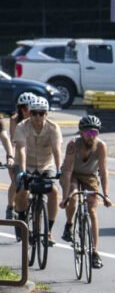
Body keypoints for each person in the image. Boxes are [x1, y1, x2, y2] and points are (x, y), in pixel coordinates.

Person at [58, 115, 112, 268]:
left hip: (90, 176)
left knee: (93, 208)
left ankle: (94, 252)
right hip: (73, 173)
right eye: (88, 133)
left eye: (94, 133)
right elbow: (67, 170)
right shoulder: (73, 144)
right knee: (73, 198)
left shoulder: (101, 146)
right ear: (81, 133)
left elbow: (103, 171)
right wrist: (65, 197)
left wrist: (106, 195)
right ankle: (69, 225)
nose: (91, 136)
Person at [12, 95, 62, 244]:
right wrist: (22, 171)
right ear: (30, 113)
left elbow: (56, 149)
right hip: (26, 164)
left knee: (53, 191)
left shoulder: (53, 128)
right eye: (34, 113)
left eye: (41, 113)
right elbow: (21, 149)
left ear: (46, 114)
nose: (37, 117)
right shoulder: (22, 126)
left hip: (46, 165)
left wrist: (59, 170)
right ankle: (21, 217)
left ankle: (48, 232)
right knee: (23, 191)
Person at [5, 92, 33, 220]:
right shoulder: (14, 119)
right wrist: (10, 157)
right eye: (23, 108)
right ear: (20, 108)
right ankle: (10, 207)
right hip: (17, 154)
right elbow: (13, 140)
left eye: (29, 108)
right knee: (16, 183)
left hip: (32, 155)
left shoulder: (37, 118)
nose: (26, 111)